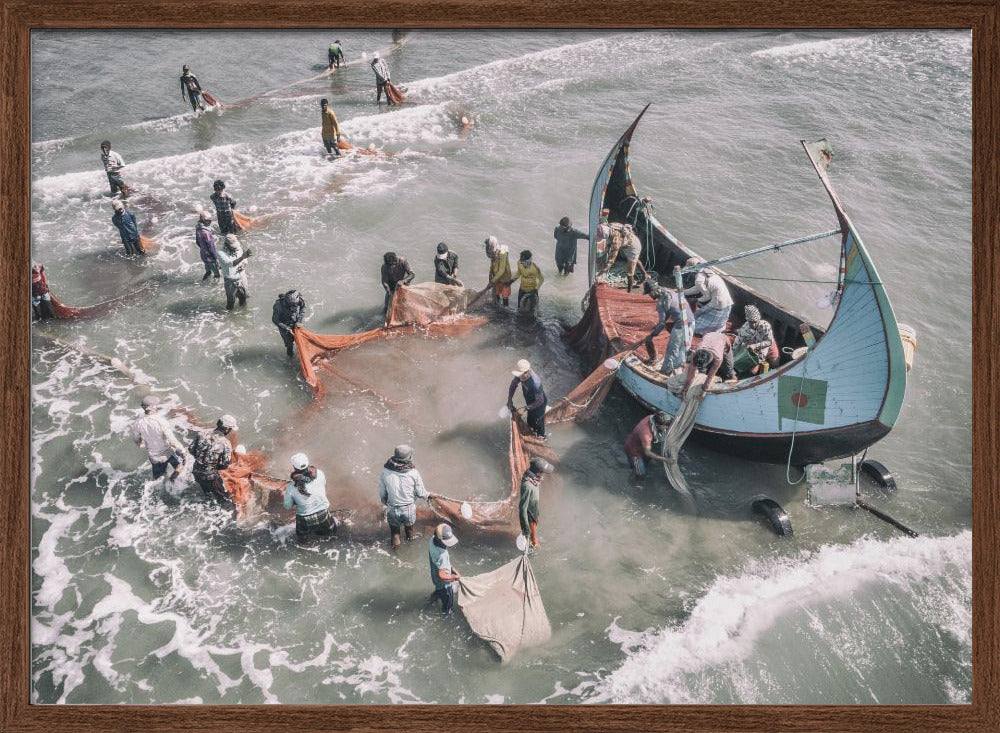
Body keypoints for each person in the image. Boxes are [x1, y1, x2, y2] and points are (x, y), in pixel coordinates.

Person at [378, 444, 435, 551]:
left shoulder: (385, 471)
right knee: (410, 531)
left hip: (393, 508)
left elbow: (382, 492)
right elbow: (420, 492)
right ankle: (410, 548)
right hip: (408, 508)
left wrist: (385, 501)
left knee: (395, 534)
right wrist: (429, 495)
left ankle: (396, 555)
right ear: (408, 458)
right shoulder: (413, 473)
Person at [284, 453, 339, 543]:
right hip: (323, 514)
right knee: (331, 537)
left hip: (304, 519)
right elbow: (321, 485)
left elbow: (287, 506)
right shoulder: (320, 474)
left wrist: (293, 499)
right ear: (308, 464)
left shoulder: (291, 486)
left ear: (294, 467)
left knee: (303, 542)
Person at [642, 282, 694, 375]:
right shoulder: (669, 291)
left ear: (653, 291)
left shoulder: (661, 303)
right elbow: (669, 311)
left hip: (681, 325)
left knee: (671, 351)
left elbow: (662, 324)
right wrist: (659, 324)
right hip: (691, 320)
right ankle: (680, 367)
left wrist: (652, 335)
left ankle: (665, 372)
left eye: (649, 293)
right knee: (683, 348)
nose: (649, 296)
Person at [130, 395, 186, 481]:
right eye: (155, 404)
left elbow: (139, 444)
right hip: (168, 453)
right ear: (152, 407)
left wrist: (147, 440)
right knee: (181, 466)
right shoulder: (161, 421)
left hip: (154, 457)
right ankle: (173, 479)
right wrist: (182, 451)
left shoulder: (137, 423)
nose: (157, 406)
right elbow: (172, 440)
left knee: (159, 479)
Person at [189, 414, 237, 507]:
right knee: (223, 497)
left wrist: (200, 458)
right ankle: (222, 515)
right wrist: (212, 466)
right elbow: (225, 464)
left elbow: (191, 449)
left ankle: (208, 505)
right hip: (210, 476)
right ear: (227, 429)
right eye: (230, 429)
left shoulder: (201, 433)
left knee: (207, 492)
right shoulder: (225, 443)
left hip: (196, 471)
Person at [684, 258, 733, 335]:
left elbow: (707, 297)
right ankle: (718, 326)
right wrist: (684, 292)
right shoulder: (707, 270)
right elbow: (697, 289)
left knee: (692, 327)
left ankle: (710, 328)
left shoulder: (699, 279)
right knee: (697, 314)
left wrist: (696, 300)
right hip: (727, 303)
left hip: (718, 306)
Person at [507, 359, 548, 439]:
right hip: (530, 400)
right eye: (520, 375)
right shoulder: (521, 375)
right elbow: (513, 385)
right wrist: (509, 399)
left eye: (523, 375)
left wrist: (525, 408)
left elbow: (540, 400)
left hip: (539, 404)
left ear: (527, 371)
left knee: (538, 421)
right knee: (530, 421)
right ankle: (532, 431)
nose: (521, 377)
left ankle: (542, 437)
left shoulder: (536, 383)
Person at [623, 411, 670, 477]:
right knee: (641, 474)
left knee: (647, 461)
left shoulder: (652, 418)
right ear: (657, 425)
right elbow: (648, 453)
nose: (666, 428)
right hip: (634, 452)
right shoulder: (646, 434)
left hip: (642, 446)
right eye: (665, 426)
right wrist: (666, 460)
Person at [599, 221, 643, 291]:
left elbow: (611, 261)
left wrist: (600, 274)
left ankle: (629, 291)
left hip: (634, 248)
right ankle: (645, 275)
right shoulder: (611, 225)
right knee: (635, 259)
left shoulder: (616, 241)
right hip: (629, 242)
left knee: (630, 273)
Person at [518, 458, 553, 548]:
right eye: (543, 472)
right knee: (534, 539)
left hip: (534, 509)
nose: (543, 474)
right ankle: (534, 545)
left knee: (535, 525)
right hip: (530, 514)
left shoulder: (533, 479)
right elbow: (522, 509)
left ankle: (533, 540)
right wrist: (526, 529)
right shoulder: (527, 485)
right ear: (538, 472)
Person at [733, 304, 775, 375]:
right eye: (751, 322)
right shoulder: (744, 328)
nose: (753, 325)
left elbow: (769, 342)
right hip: (751, 349)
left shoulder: (766, 326)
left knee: (775, 361)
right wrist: (733, 356)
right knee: (752, 371)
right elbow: (737, 343)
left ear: (759, 319)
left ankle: (773, 370)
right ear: (747, 320)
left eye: (755, 322)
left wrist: (756, 345)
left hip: (766, 344)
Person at [428, 523, 460, 615]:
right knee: (448, 605)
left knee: (439, 589)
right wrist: (455, 577)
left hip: (436, 578)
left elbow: (441, 566)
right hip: (445, 585)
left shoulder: (432, 541)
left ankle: (431, 600)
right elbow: (442, 575)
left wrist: (451, 569)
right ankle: (446, 615)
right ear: (439, 539)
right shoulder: (442, 555)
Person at [217, 234, 253, 310]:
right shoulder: (220, 253)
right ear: (226, 244)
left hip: (242, 278)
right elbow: (230, 264)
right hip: (230, 281)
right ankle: (229, 318)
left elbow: (245, 260)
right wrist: (243, 257)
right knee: (230, 302)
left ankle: (244, 314)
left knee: (243, 298)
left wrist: (244, 264)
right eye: (233, 247)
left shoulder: (239, 248)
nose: (235, 248)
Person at [272, 289, 306, 357]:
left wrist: (299, 321)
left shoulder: (299, 300)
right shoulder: (278, 306)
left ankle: (302, 355)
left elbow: (303, 309)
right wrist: (287, 328)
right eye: (292, 305)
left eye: (295, 305)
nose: (294, 307)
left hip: (296, 323)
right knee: (289, 345)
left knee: (301, 340)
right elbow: (275, 320)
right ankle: (290, 357)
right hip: (284, 325)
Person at [511, 249, 544, 315]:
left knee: (532, 311)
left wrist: (536, 290)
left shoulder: (535, 268)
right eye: (521, 260)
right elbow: (518, 273)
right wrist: (511, 280)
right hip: (522, 289)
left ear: (528, 260)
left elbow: (541, 279)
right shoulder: (519, 263)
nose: (521, 262)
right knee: (519, 309)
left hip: (532, 291)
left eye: (523, 261)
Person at [484, 236, 513, 308]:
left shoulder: (503, 253)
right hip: (496, 277)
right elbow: (491, 267)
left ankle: (505, 310)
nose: (491, 255)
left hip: (505, 278)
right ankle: (497, 306)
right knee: (496, 294)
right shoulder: (491, 252)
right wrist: (490, 279)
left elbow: (502, 270)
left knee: (505, 295)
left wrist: (492, 281)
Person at [195, 211, 221, 281]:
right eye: (207, 221)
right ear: (203, 220)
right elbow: (211, 247)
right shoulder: (206, 233)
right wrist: (216, 258)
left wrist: (203, 249)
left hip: (203, 254)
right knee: (217, 274)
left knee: (208, 271)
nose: (209, 223)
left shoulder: (198, 228)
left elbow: (197, 242)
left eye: (210, 221)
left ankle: (203, 281)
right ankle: (216, 287)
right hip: (210, 256)